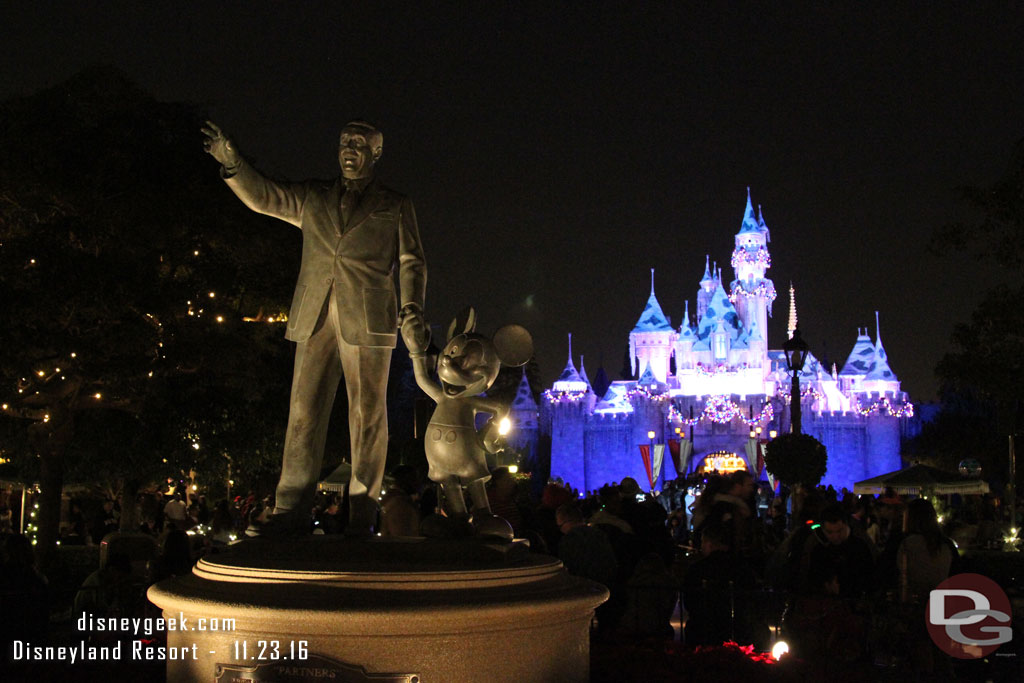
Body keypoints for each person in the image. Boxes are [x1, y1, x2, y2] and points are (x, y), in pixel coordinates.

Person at [202, 120, 427, 535]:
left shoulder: (395, 203)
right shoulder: (313, 196)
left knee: (368, 417)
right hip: (315, 314)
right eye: (344, 142)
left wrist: (412, 307)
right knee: (303, 411)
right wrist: (234, 164)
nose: (349, 149)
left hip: (370, 318)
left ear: (375, 153)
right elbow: (265, 197)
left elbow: (412, 261)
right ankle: (290, 507)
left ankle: (362, 512)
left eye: (359, 144)